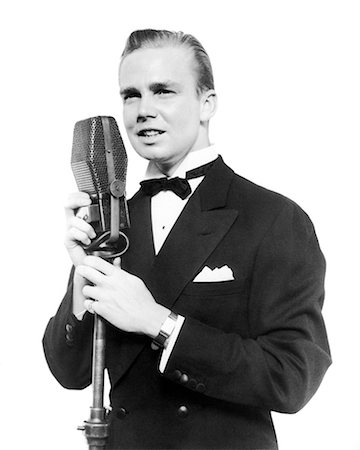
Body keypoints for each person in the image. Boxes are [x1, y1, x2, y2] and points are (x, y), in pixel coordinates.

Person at [43, 29, 331, 450]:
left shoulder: (273, 218)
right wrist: (81, 275)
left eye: (163, 91)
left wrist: (158, 323)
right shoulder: (114, 220)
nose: (144, 110)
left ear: (207, 102)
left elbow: (292, 376)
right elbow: (69, 373)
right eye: (131, 95)